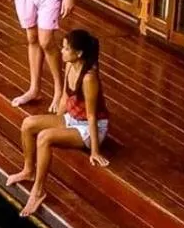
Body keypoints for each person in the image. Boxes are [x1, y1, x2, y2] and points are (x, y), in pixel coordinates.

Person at [6, 28, 110, 217]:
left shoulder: (89, 78)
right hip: (73, 119)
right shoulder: (70, 65)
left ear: (78, 53)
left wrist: (95, 151)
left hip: (89, 127)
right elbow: (64, 96)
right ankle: (29, 170)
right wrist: (56, 120)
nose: (61, 52)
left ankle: (38, 191)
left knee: (45, 138)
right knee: (28, 124)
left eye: (65, 49)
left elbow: (93, 116)